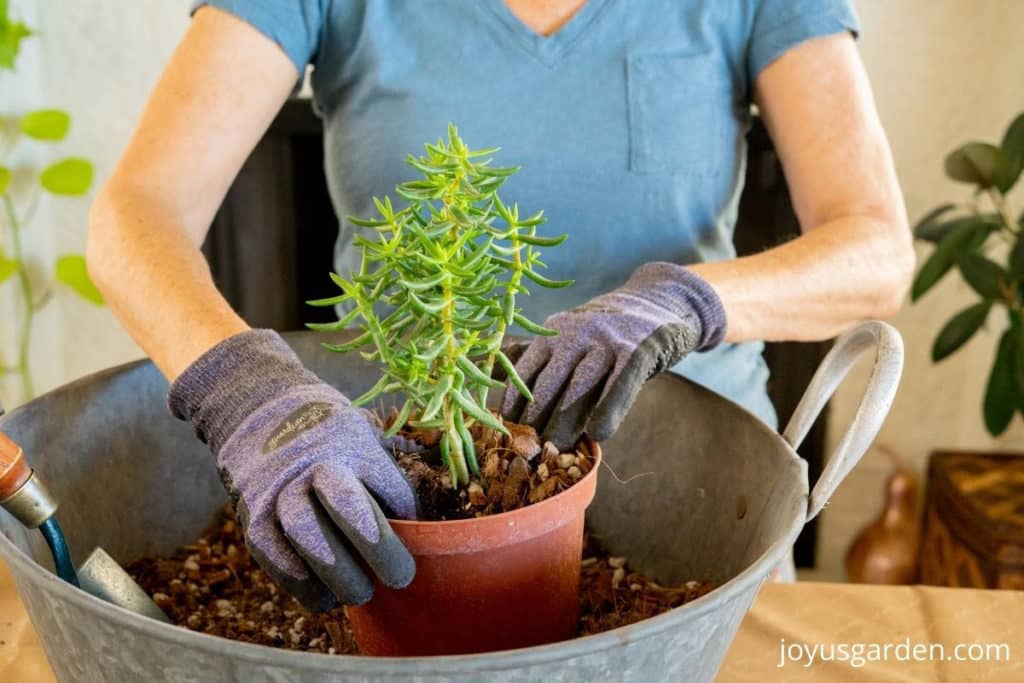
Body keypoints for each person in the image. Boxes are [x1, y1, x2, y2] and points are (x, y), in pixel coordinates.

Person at [87, 0, 914, 610]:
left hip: (701, 504)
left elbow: (877, 251)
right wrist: (247, 390)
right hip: (381, 496)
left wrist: (687, 297)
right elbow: (134, 216)